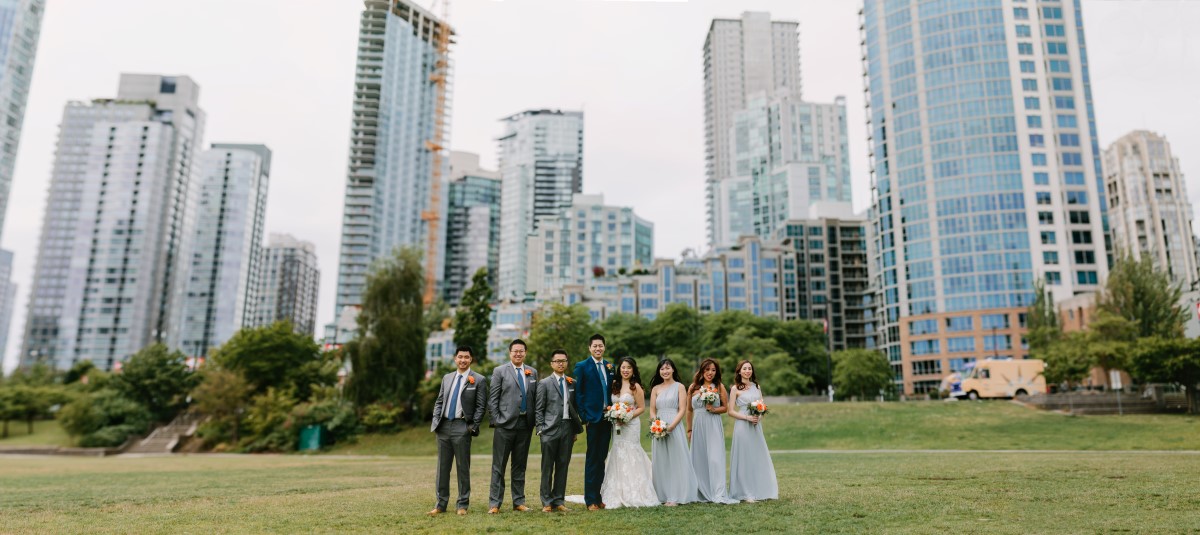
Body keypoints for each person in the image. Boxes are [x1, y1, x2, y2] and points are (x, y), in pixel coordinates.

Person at [429, 346, 488, 516]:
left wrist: (472, 427)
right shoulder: (447, 378)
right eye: (460, 357)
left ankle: (462, 505)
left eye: (466, 357)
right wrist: (436, 420)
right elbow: (439, 401)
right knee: (442, 468)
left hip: (463, 427)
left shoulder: (478, 379)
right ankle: (440, 505)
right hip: (443, 427)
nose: (463, 360)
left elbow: (481, 406)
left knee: (463, 468)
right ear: (455, 358)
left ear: (471, 359)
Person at [597, 357, 659, 509]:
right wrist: (614, 414)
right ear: (619, 369)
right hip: (616, 425)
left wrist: (627, 416)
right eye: (623, 367)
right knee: (618, 451)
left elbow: (641, 407)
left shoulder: (635, 386)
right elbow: (611, 403)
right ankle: (617, 490)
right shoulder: (614, 384)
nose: (625, 370)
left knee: (631, 451)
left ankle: (636, 491)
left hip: (630, 425)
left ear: (633, 370)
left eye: (629, 368)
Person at [487, 338, 538, 514]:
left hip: (525, 425)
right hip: (505, 425)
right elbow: (493, 399)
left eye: (521, 351)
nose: (518, 353)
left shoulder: (533, 372)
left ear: (525, 353)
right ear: (510, 353)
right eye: (515, 351)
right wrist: (497, 421)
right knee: (498, 465)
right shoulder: (500, 371)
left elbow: (535, 399)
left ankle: (518, 501)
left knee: (519, 465)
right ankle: (495, 503)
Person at [534, 349, 583, 513]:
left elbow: (574, 408)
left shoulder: (572, 383)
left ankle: (559, 500)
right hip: (549, 430)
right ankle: (546, 502)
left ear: (567, 363)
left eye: (563, 360)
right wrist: (540, 429)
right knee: (547, 467)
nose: (560, 363)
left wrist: (575, 430)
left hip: (567, 429)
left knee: (563, 465)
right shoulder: (544, 383)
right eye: (557, 361)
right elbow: (538, 408)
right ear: (552, 364)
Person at [573, 334, 615, 511]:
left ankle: (599, 497)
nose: (598, 349)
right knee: (592, 459)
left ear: (604, 347)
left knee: (601, 458)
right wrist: (585, 417)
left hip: (608, 418)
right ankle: (590, 500)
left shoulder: (610, 366)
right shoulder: (582, 366)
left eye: (601, 346)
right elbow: (578, 393)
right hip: (593, 419)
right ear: (590, 348)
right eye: (595, 346)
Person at [648, 358, 698, 506]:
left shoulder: (680, 387)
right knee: (662, 460)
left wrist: (671, 426)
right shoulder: (655, 389)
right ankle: (662, 494)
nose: (665, 371)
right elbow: (652, 410)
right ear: (659, 371)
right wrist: (656, 424)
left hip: (674, 425)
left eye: (668, 368)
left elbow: (682, 409)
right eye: (662, 369)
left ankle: (675, 495)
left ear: (673, 370)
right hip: (658, 427)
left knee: (676, 459)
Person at [686, 358, 736, 504]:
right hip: (698, 425)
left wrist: (714, 409)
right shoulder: (693, 387)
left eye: (713, 370)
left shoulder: (719, 386)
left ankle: (718, 493)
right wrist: (689, 430)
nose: (710, 373)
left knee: (715, 458)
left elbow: (725, 408)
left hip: (713, 424)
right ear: (702, 370)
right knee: (699, 458)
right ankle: (700, 491)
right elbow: (689, 410)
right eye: (707, 370)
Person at [728, 360, 778, 502]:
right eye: (744, 368)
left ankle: (760, 489)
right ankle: (745, 492)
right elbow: (730, 411)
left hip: (756, 426)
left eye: (750, 368)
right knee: (744, 457)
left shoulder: (757, 387)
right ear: (739, 371)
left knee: (757, 455)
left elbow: (761, 405)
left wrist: (759, 417)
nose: (747, 371)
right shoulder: (735, 389)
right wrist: (746, 418)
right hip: (742, 425)